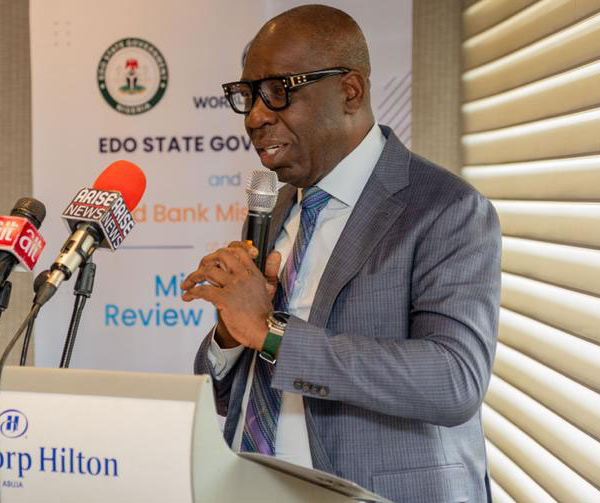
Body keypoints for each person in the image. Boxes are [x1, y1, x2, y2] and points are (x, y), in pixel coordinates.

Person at [181, 5, 500, 502]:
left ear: (350, 91)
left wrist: (269, 331)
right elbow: (236, 391)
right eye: (248, 96)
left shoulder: (446, 208)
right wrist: (231, 331)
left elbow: (453, 380)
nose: (256, 116)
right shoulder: (275, 209)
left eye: (278, 91)